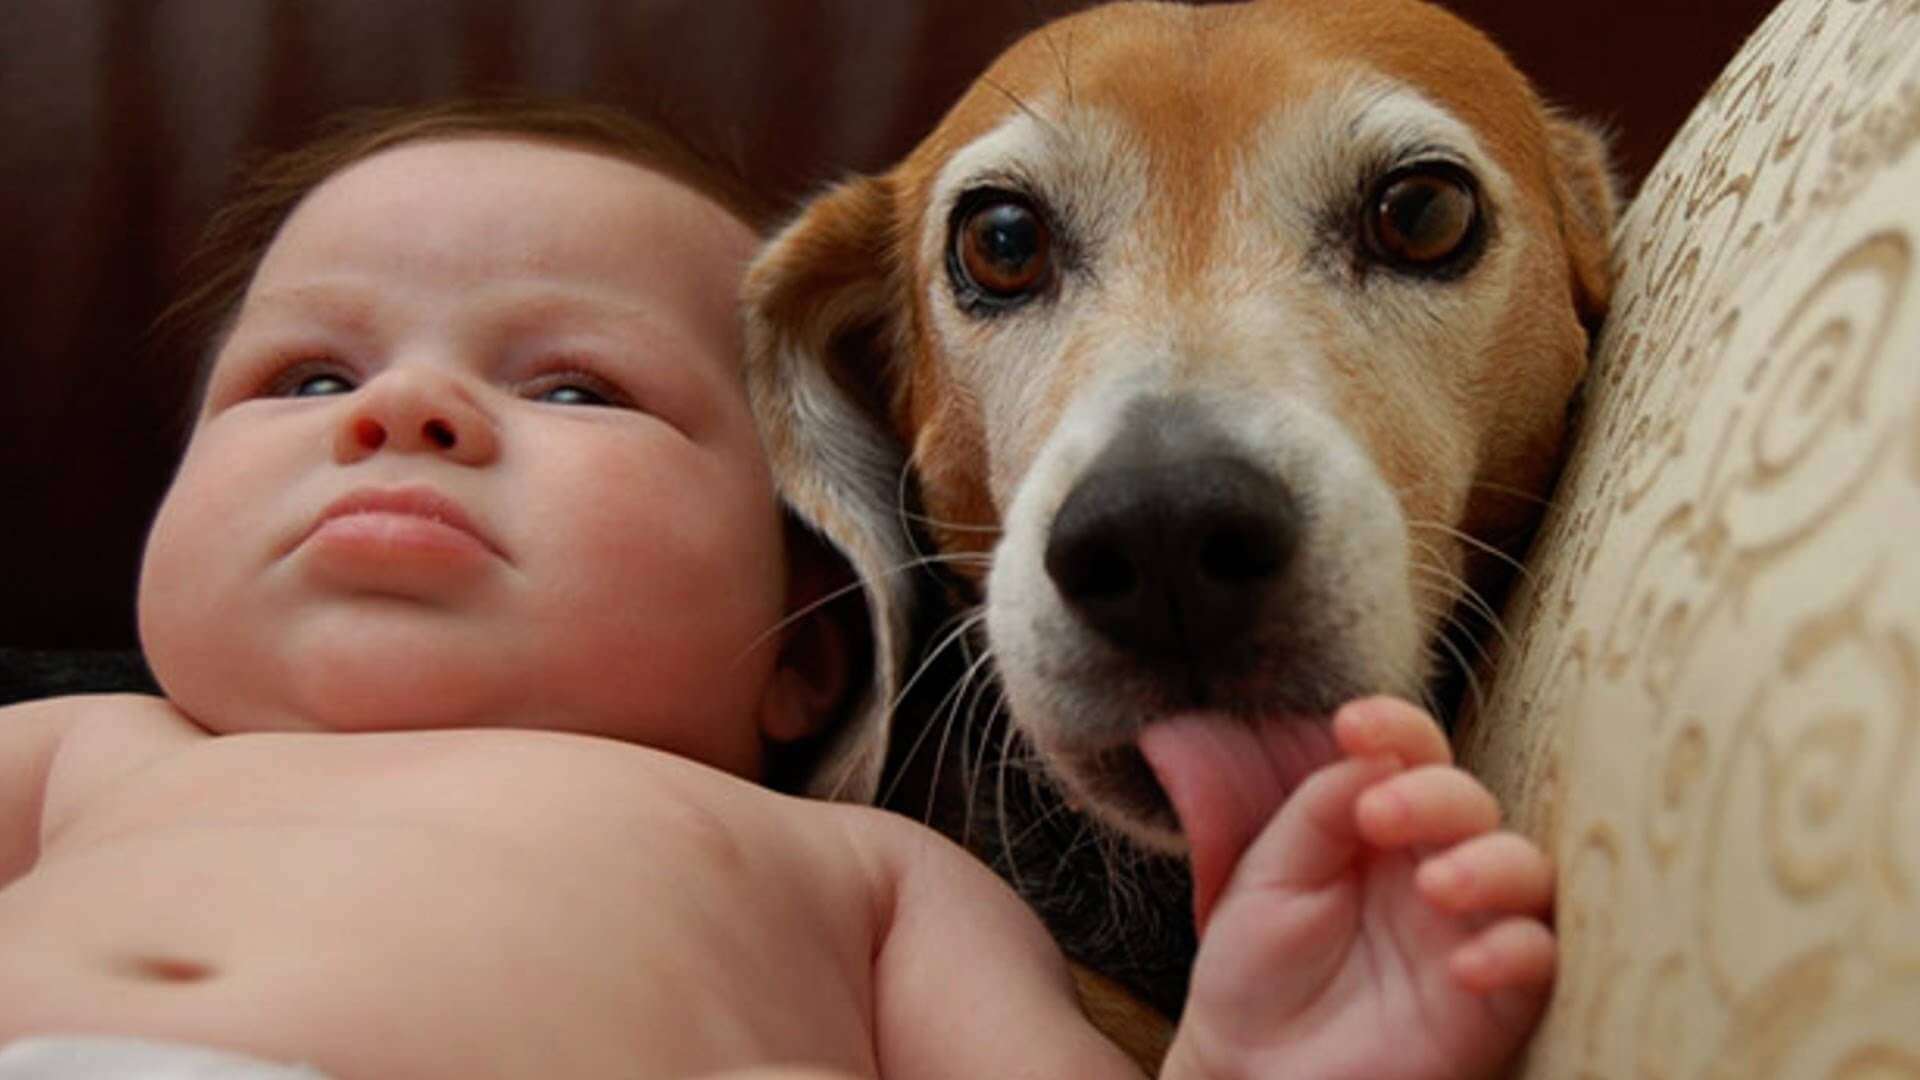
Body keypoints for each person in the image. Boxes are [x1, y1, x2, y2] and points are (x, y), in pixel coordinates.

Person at [0, 100, 1555, 1079]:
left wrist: (1245, 1052)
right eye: (307, 376)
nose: (404, 410)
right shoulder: (80, 754)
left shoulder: (871, 880)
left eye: (575, 388)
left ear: (811, 638)